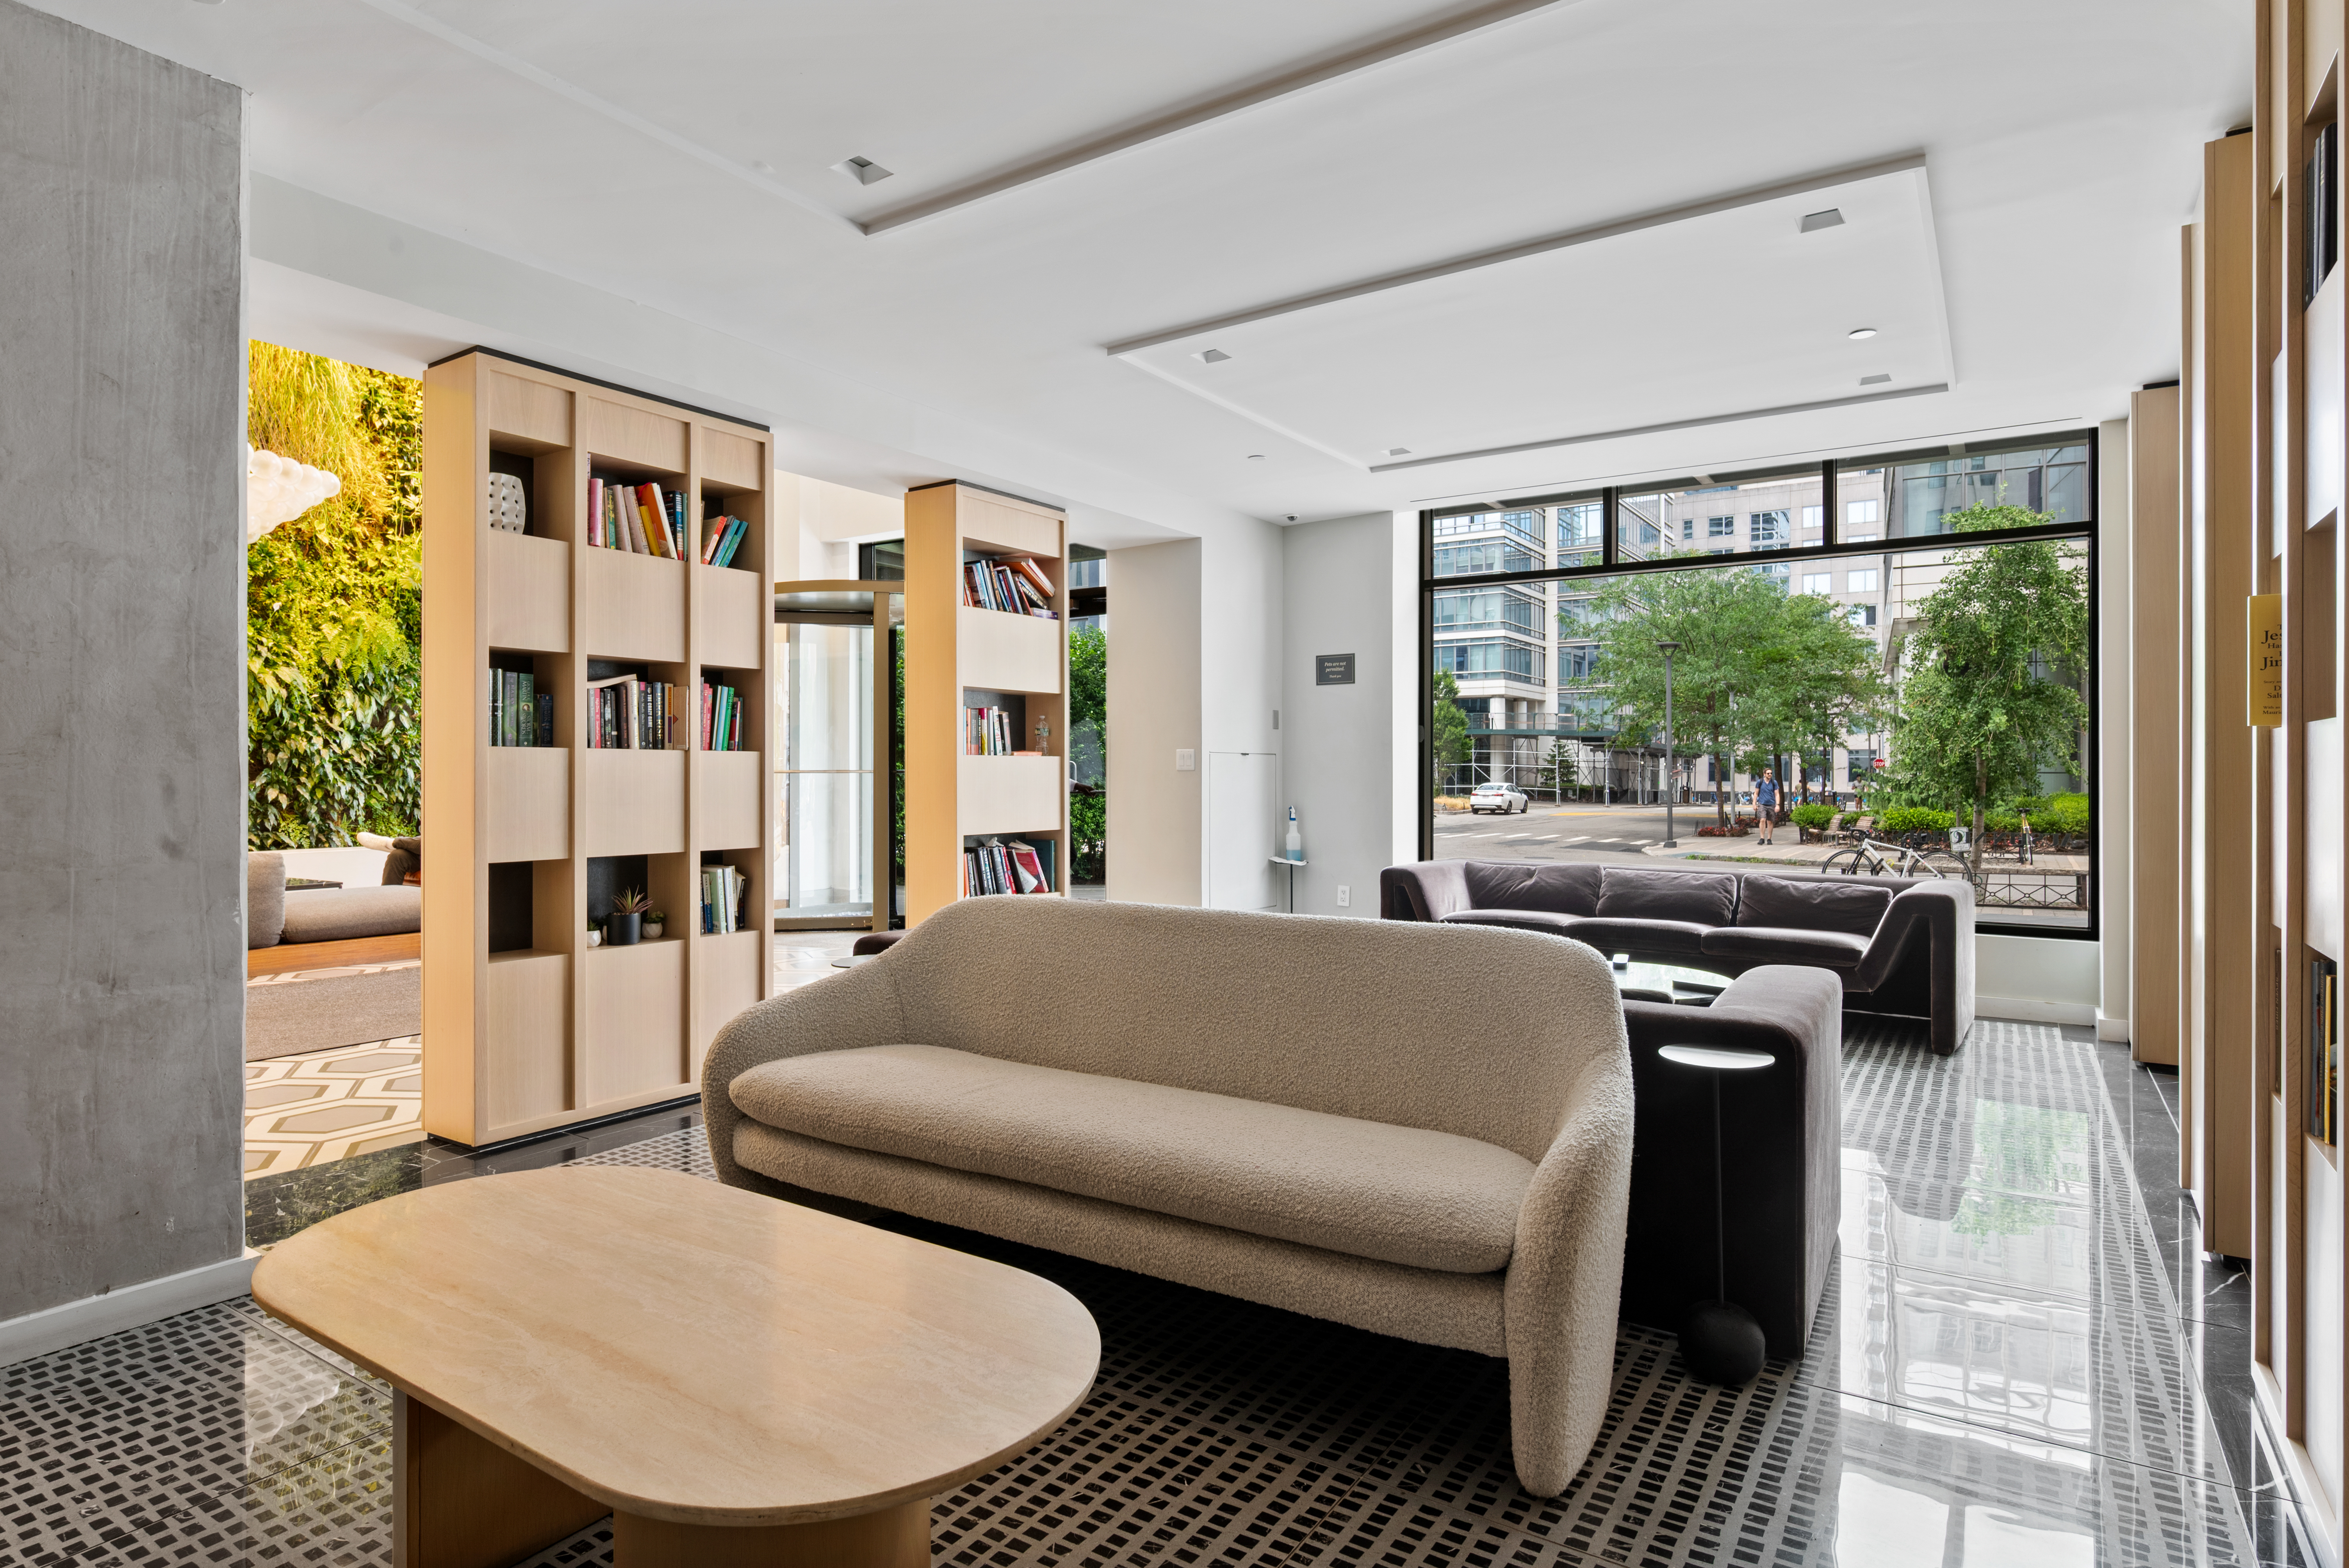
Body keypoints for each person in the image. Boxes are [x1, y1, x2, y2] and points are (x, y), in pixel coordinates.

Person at [1755, 768, 1778, 844]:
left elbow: (1777, 794)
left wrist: (1778, 805)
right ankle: (1762, 838)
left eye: (1771, 773)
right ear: (1764, 774)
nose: (1770, 775)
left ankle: (1769, 839)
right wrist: (1754, 804)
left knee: (1770, 821)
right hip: (1762, 804)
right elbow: (1756, 793)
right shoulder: (1760, 782)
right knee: (1762, 820)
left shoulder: (1774, 783)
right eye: (1768, 773)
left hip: (1771, 805)